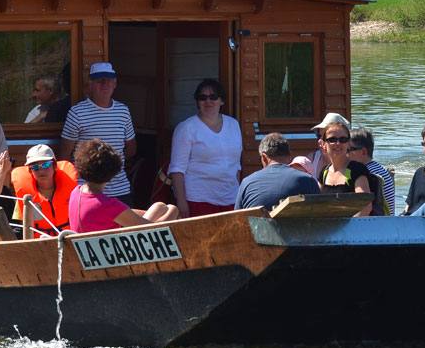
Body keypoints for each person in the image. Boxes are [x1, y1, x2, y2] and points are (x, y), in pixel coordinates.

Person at [57, 62, 136, 206]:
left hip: (120, 189)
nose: (105, 84)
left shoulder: (123, 111)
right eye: (100, 81)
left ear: (115, 83)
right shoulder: (77, 113)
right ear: (90, 84)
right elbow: (64, 156)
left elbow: (131, 149)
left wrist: (111, 166)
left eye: (109, 80)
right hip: (87, 190)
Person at [68, 138, 178, 233]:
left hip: (84, 251)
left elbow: (120, 213)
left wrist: (157, 210)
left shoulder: (76, 192)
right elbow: (150, 230)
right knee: (167, 208)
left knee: (159, 207)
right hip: (108, 255)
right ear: (112, 173)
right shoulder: (108, 205)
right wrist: (173, 211)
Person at [168, 78, 243, 217]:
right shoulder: (186, 128)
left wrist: (238, 197)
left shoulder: (234, 125)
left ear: (222, 101)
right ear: (198, 102)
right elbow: (177, 169)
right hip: (198, 200)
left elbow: (236, 166)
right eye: (203, 98)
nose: (208, 101)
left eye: (213, 97)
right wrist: (181, 201)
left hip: (231, 199)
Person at [235, 133, 322, 210]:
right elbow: (321, 216)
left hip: (258, 228)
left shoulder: (246, 183)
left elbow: (238, 220)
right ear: (290, 157)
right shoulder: (308, 180)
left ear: (264, 157)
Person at [11, 144, 78, 238]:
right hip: (40, 246)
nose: (41, 170)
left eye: (46, 165)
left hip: (69, 241)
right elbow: (23, 228)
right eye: (35, 167)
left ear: (54, 165)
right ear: (30, 170)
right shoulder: (24, 197)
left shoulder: (73, 192)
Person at [317, 121, 378, 216]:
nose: (338, 143)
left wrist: (343, 227)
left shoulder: (357, 170)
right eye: (332, 139)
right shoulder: (324, 172)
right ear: (323, 144)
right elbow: (316, 205)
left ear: (349, 143)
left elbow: (365, 207)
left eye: (343, 140)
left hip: (353, 228)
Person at [347, 127, 395, 216]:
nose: (345, 154)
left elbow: (365, 210)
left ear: (363, 152)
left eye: (349, 150)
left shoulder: (368, 175)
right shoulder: (379, 168)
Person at [308, 112, 350, 178]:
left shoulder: (354, 165)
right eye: (319, 136)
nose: (320, 141)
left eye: (332, 139)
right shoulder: (311, 160)